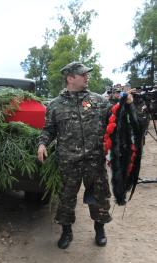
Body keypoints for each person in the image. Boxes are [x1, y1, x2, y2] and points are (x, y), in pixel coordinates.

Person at [37, 62, 133, 250]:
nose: (87, 76)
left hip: (94, 160)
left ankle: (100, 229)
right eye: (83, 74)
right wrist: (42, 144)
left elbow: (116, 117)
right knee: (66, 198)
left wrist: (126, 104)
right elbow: (48, 130)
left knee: (99, 197)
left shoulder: (98, 101)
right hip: (68, 161)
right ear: (70, 78)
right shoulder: (56, 105)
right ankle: (66, 231)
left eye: (87, 74)